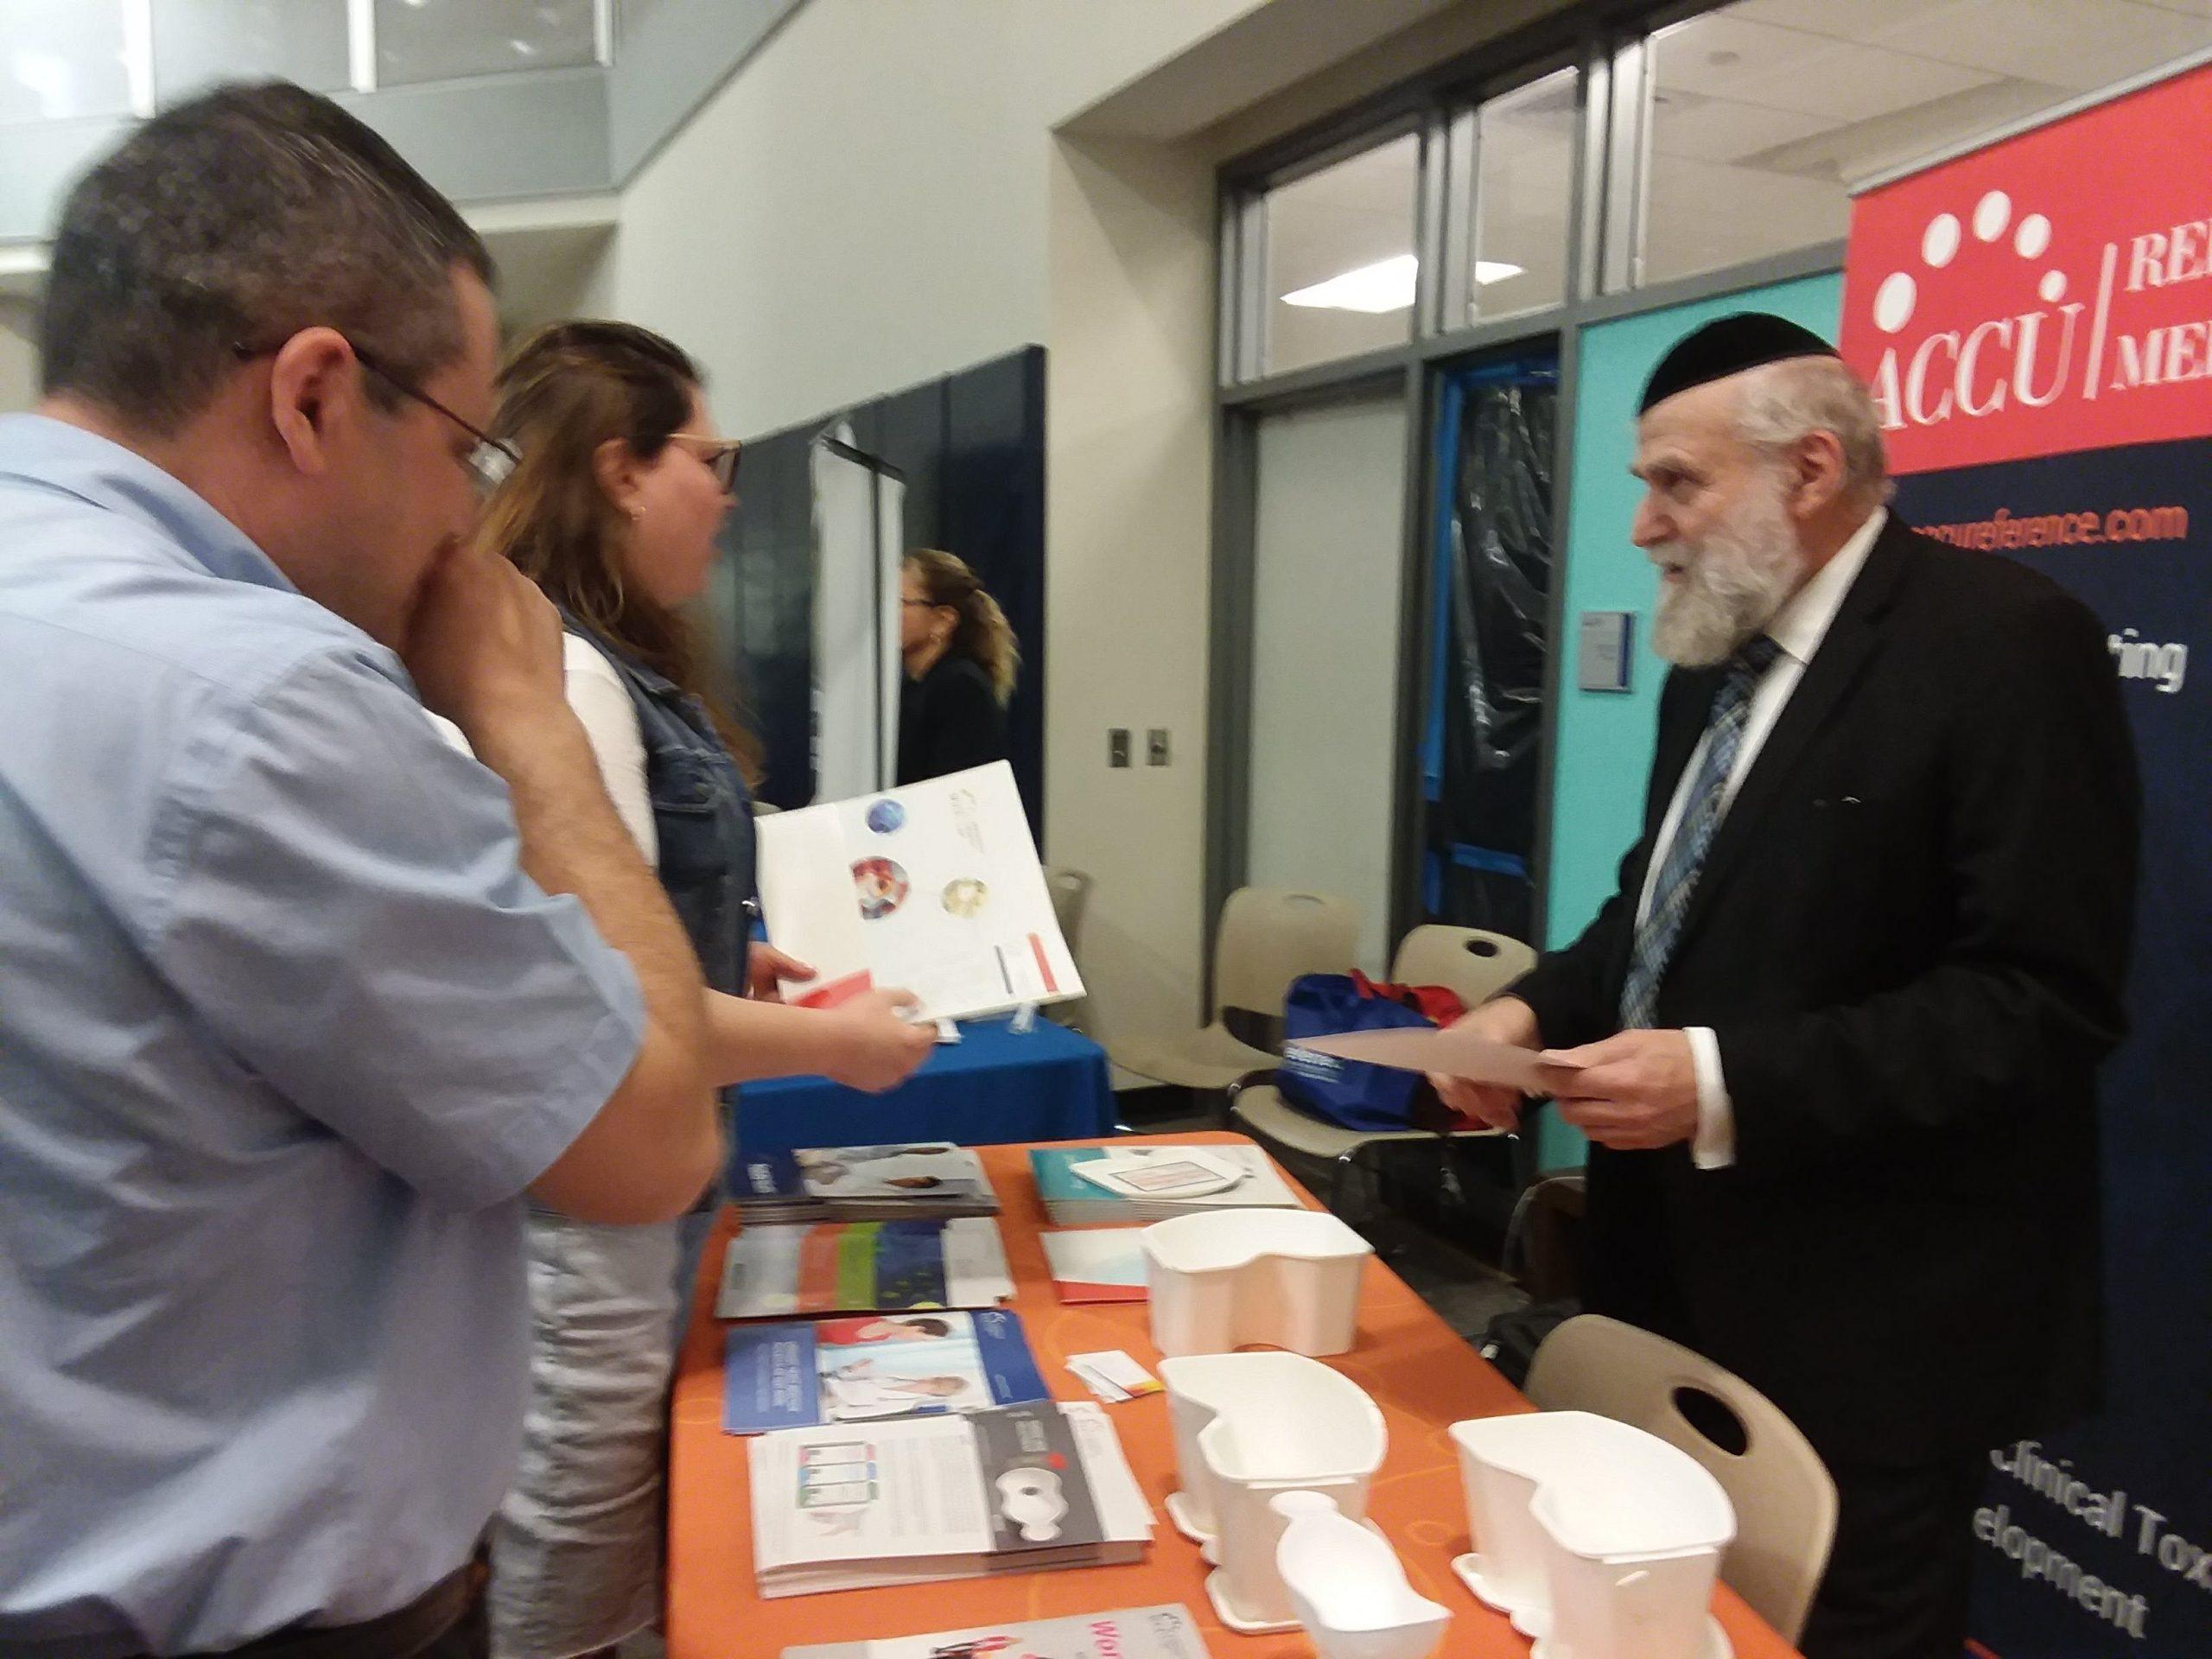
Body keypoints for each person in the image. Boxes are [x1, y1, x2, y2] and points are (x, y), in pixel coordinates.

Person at [0, 85, 722, 1657]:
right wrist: (525, 719)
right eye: (465, 447)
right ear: (317, 396)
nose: (470, 510)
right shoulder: (254, 696)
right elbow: (649, 1143)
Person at [1434, 315, 2139, 1659]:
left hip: (1875, 1318)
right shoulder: (1713, 663)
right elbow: (1654, 915)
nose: (1644, 527)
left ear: (1810, 470)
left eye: (1676, 483)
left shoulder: (2006, 645)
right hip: (1668, 1271)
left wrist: (1719, 1080)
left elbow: (2041, 1001)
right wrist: (1526, 1010)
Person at [473, 320, 936, 1659]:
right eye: (709, 460)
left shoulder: (605, 667)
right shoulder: (566, 678)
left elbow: (618, 944)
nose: (728, 496)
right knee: (579, 1581)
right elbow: (610, 1018)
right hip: (589, 1234)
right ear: (620, 470)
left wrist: (727, 965)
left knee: (622, 1553)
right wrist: (833, 1044)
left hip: (633, 1208)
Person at [897, 547, 1016, 783]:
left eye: (900, 601)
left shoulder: (961, 688)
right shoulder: (914, 687)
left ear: (942, 621)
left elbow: (953, 790)